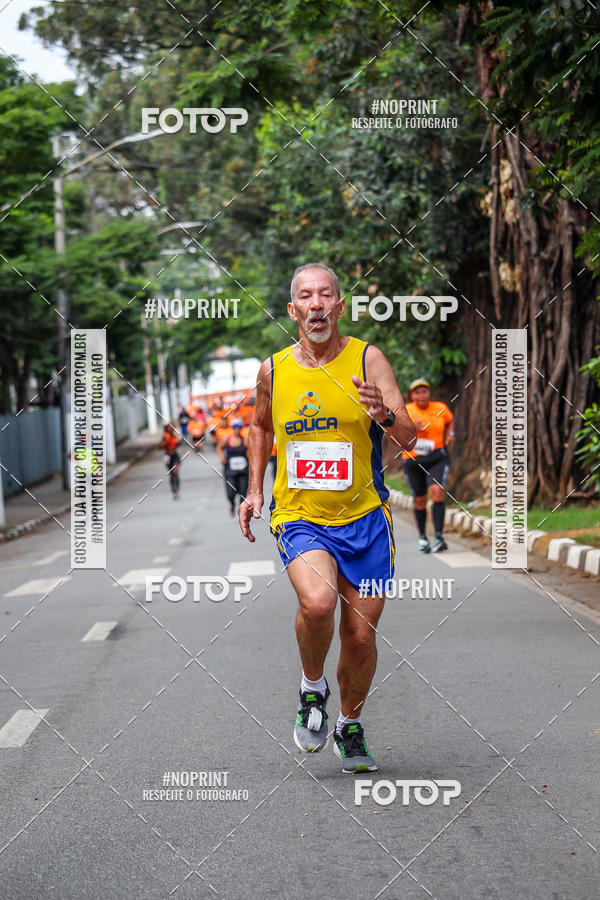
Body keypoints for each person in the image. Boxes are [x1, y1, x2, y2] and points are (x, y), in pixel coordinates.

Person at [239, 263, 416, 773]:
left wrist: (383, 414)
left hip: (365, 517)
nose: (316, 305)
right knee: (317, 604)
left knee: (360, 636)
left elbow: (409, 437)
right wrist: (254, 490)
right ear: (292, 310)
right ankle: (312, 689)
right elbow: (259, 429)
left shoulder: (368, 358)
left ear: (340, 306)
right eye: (305, 297)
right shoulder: (273, 369)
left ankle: (349, 725)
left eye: (325, 296)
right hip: (300, 516)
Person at [402, 378, 454, 553]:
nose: (421, 395)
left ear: (428, 393)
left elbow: (450, 421)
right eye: (417, 392)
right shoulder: (406, 410)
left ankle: (439, 537)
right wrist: (410, 427)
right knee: (420, 500)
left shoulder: (440, 408)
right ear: (412, 395)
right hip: (413, 459)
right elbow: (394, 430)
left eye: (424, 391)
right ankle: (423, 538)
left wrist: (450, 434)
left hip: (436, 456)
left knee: (437, 492)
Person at [219, 418, 249, 515]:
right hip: (230, 471)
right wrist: (222, 456)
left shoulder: (245, 440)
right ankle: (232, 503)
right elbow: (219, 448)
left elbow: (252, 451)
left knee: (243, 493)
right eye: (235, 427)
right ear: (232, 428)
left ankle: (241, 512)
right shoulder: (226, 439)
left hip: (243, 471)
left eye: (239, 427)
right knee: (230, 493)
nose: (237, 429)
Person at [159, 423, 181, 499]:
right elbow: (160, 446)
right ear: (166, 429)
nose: (171, 429)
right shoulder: (165, 436)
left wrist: (178, 441)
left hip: (175, 456)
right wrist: (166, 441)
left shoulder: (175, 436)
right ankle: (174, 490)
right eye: (169, 428)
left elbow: (178, 445)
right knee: (171, 474)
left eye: (172, 428)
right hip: (168, 456)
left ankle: (177, 490)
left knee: (175, 472)